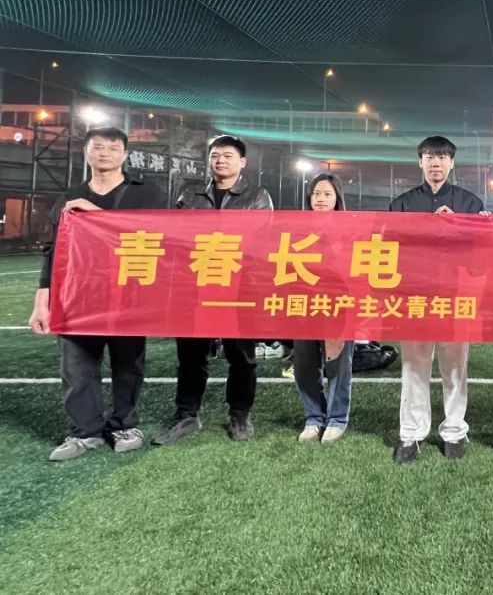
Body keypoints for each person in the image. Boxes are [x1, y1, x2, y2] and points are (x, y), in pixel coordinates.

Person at [29, 127, 167, 461]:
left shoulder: (146, 194)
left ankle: (124, 424)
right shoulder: (69, 197)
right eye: (98, 147)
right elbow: (53, 252)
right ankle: (84, 430)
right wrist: (42, 302)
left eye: (113, 148)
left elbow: (159, 235)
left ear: (125, 155)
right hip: (77, 296)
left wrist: (96, 216)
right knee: (76, 365)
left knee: (128, 363)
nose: (105, 153)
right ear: (86, 152)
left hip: (127, 295)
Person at [153, 134, 273, 446]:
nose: (220, 161)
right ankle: (187, 414)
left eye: (228, 156)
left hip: (239, 287)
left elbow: (258, 240)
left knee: (241, 356)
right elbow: (178, 236)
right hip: (195, 286)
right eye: (215, 155)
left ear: (242, 162)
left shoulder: (257, 196)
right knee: (191, 355)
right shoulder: (189, 194)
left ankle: (240, 413)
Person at [390, 136, 483, 463]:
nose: (436, 162)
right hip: (414, 298)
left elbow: (479, 258)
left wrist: (457, 227)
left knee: (455, 368)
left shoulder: (470, 204)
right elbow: (391, 251)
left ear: (452, 163)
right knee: (413, 368)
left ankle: (454, 431)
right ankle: (411, 434)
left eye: (442, 157)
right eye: (429, 156)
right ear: (420, 162)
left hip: (455, 297)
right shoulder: (402, 205)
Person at [294, 174, 355, 443]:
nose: (321, 199)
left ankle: (337, 418)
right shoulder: (295, 228)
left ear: (337, 199)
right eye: (316, 193)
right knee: (304, 364)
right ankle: (313, 417)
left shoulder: (349, 230)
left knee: (339, 363)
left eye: (327, 194)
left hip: (338, 305)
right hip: (303, 304)